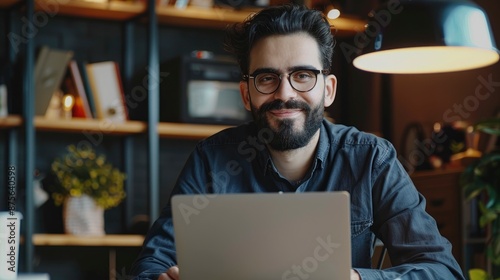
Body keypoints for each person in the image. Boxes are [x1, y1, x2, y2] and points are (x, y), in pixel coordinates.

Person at [130, 4, 465, 280]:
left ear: (328, 89)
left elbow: (443, 271)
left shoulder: (371, 159)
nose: (285, 93)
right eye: (267, 78)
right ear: (246, 94)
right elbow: (151, 265)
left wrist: (358, 279)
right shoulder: (212, 160)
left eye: (303, 76)